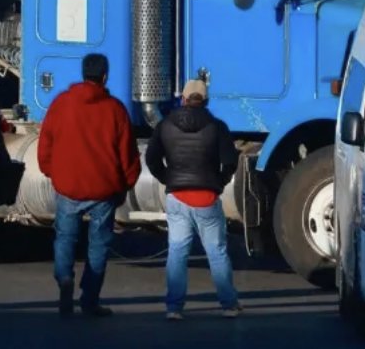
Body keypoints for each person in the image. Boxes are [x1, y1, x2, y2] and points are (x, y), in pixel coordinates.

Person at [38, 53, 140, 317]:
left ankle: (64, 278)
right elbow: (127, 153)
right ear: (105, 76)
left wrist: (51, 170)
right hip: (103, 189)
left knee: (65, 238)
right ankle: (90, 299)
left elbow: (46, 142)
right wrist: (126, 184)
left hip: (68, 185)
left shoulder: (61, 104)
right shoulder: (115, 109)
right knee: (99, 245)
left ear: (83, 74)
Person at [144, 78, 241, 320]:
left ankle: (174, 308)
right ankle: (229, 305)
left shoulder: (165, 125)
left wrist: (168, 178)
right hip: (207, 196)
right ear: (206, 100)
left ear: (183, 99)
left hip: (177, 196)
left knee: (177, 252)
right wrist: (219, 183)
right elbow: (230, 161)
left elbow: (152, 159)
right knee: (217, 252)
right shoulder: (217, 127)